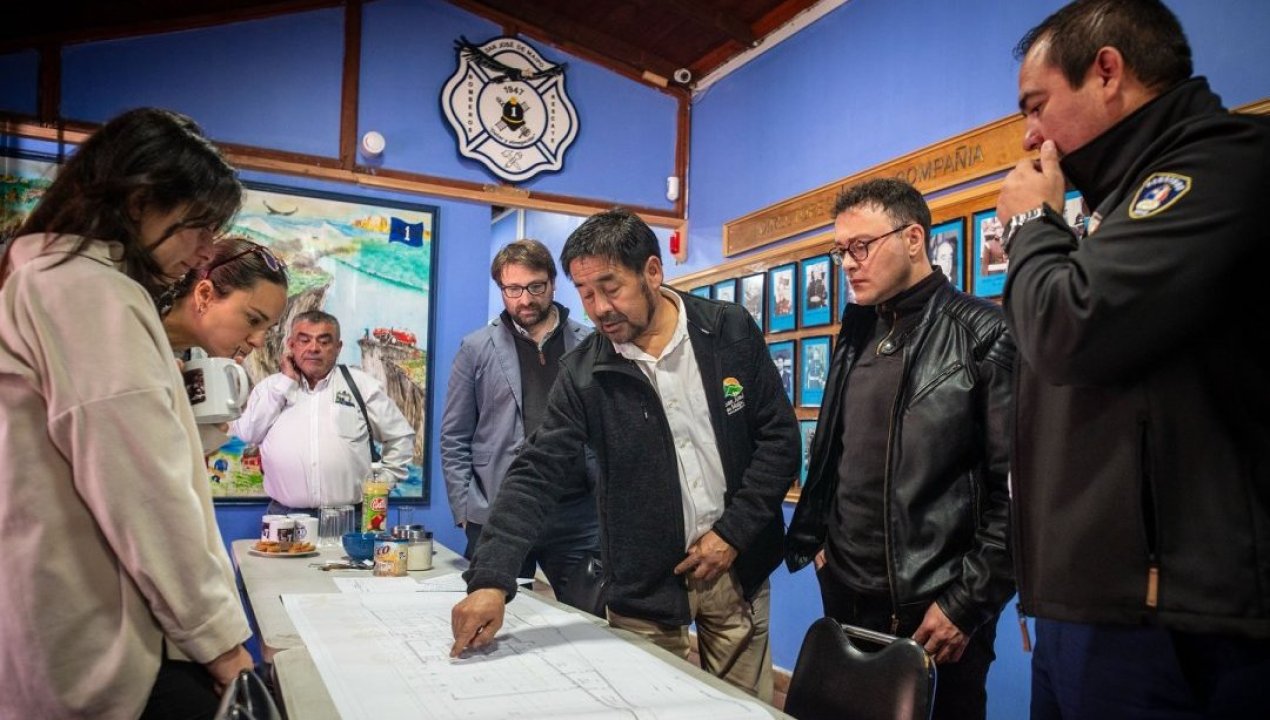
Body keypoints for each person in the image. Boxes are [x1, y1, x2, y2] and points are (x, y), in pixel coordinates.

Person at [994, 1, 1270, 716]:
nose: (1029, 135)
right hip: (1092, 609)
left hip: (1175, 627)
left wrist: (1030, 223)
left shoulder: (1222, 161)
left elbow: (1065, 330)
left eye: (1037, 106)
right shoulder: (1115, 209)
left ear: (1108, 72)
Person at [451, 208, 799, 702]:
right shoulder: (584, 372)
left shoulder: (727, 331)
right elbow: (536, 472)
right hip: (644, 580)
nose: (598, 308)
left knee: (742, 708)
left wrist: (733, 533)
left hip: (736, 567)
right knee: (647, 705)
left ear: (652, 271)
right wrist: (491, 578)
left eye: (610, 287)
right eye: (585, 293)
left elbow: (779, 440)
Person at [0, 107, 255, 718]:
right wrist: (222, 645)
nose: (205, 251)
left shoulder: (43, 280)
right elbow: (142, 491)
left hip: (65, 634)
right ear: (139, 202)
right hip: (115, 654)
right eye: (197, 226)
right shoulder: (88, 289)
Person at [786, 178, 1015, 720]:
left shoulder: (984, 333)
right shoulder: (856, 333)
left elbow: (1018, 492)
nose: (848, 262)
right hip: (845, 595)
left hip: (935, 608)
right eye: (841, 250)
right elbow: (838, 455)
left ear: (913, 239)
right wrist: (823, 549)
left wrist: (966, 604)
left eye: (861, 246)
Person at [440, 239, 601, 613]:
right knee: (498, 620)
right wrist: (465, 510)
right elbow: (454, 436)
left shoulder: (591, 344)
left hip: (579, 514)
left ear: (553, 283)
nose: (524, 299)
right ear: (501, 289)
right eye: (512, 289)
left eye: (535, 287)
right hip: (500, 512)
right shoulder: (475, 348)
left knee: (589, 618)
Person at [230, 309, 415, 516]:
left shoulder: (362, 386)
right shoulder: (269, 388)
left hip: (350, 517)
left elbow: (400, 436)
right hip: (284, 518)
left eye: (324, 341)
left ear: (338, 347)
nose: (314, 348)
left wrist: (383, 481)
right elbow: (248, 434)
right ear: (291, 345)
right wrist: (286, 383)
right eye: (304, 340)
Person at [162, 236, 289, 452]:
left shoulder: (189, 363)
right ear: (205, 295)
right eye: (253, 320)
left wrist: (204, 432)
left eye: (268, 329)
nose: (258, 341)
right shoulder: (128, 332)